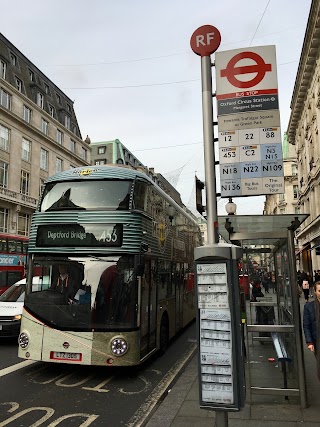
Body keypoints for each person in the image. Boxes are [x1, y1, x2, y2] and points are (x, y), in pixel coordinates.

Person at [303, 281, 320, 381]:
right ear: (315, 291)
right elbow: (306, 325)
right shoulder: (309, 307)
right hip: (317, 340)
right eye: (319, 291)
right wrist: (309, 342)